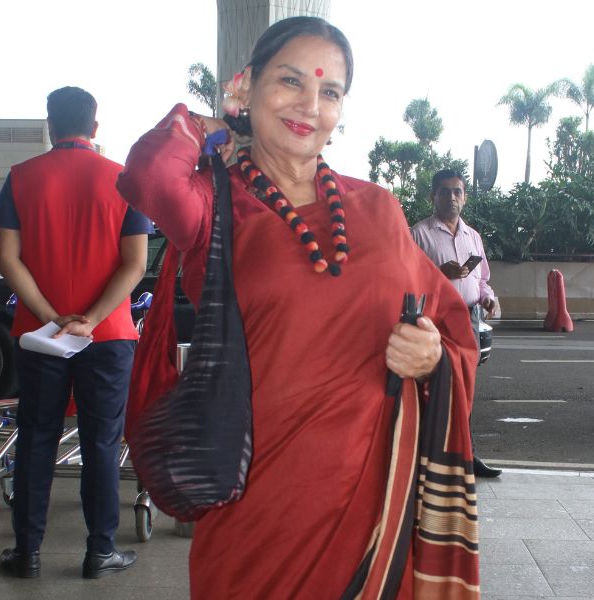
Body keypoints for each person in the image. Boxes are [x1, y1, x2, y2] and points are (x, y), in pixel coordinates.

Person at [118, 16, 480, 599]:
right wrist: (207, 122)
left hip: (372, 509)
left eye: (329, 92)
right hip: (258, 511)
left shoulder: (379, 209)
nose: (310, 105)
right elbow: (149, 175)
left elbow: (450, 327)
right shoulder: (214, 206)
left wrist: (433, 356)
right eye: (290, 81)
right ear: (246, 85)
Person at [0, 86, 151, 579]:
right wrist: (93, 318)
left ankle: (27, 553)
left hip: (40, 337)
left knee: (37, 437)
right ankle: (100, 552)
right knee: (101, 442)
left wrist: (52, 316)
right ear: (94, 127)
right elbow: (135, 263)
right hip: (109, 336)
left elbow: (7, 258)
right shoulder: (124, 180)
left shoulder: (21, 177)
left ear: (50, 126)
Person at [411, 169, 502, 478]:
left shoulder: (472, 236)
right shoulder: (419, 234)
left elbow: (482, 279)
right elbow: (407, 279)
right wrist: (440, 272)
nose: (451, 197)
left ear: (465, 198)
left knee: (466, 390)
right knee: (434, 388)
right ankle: (430, 456)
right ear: (433, 196)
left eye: (457, 192)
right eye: (445, 191)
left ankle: (467, 455)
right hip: (436, 320)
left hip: (470, 317)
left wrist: (488, 298)